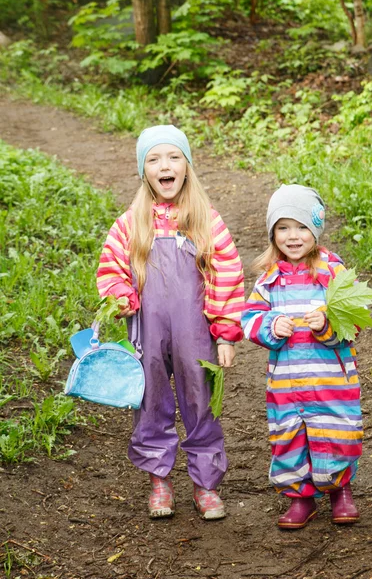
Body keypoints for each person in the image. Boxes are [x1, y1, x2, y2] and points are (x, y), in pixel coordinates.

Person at [97, 125, 244, 520]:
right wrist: (121, 296)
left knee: (200, 398)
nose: (165, 166)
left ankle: (205, 484)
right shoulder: (131, 222)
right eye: (154, 159)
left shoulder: (205, 221)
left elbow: (227, 274)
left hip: (196, 331)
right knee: (151, 399)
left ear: (187, 165)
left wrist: (226, 332)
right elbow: (110, 268)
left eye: (174, 157)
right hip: (148, 330)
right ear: (143, 171)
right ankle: (158, 479)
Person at [241, 184, 363, 529]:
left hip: (331, 377)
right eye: (283, 227)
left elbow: (354, 319)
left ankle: (341, 491)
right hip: (287, 380)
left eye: (302, 227)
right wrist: (270, 325)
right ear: (272, 233)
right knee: (290, 433)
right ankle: (300, 498)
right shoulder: (269, 279)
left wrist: (327, 324)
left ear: (316, 229)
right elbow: (249, 318)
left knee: (336, 430)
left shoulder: (333, 272)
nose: (293, 237)